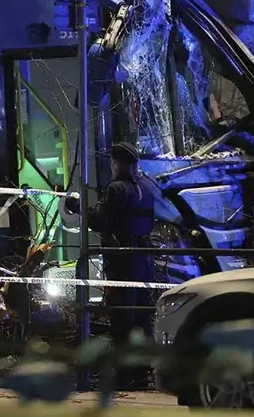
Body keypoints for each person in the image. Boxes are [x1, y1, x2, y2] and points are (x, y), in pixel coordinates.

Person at [89, 141, 162, 389]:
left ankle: (124, 375)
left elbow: (101, 222)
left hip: (121, 263)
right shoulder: (146, 188)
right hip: (143, 260)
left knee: (121, 318)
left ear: (116, 163)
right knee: (142, 318)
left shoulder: (115, 189)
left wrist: (81, 210)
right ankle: (143, 371)